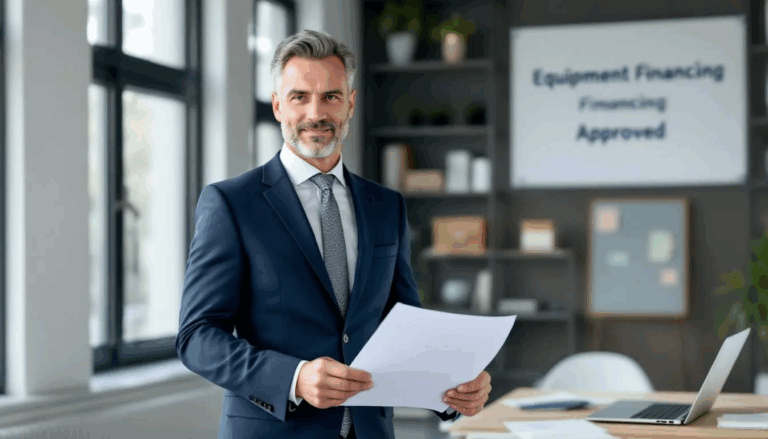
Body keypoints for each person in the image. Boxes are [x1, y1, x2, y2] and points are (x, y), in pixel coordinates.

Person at [176, 29, 492, 439]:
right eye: (299, 97)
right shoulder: (232, 204)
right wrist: (295, 377)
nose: (315, 113)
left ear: (351, 104)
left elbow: (407, 327)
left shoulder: (386, 206)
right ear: (277, 105)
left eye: (331, 96)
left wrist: (453, 388)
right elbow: (197, 337)